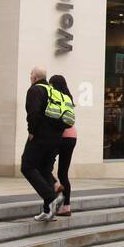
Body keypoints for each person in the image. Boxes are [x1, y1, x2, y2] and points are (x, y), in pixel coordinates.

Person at [21, 67, 66, 220]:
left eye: (30, 74)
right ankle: (49, 212)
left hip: (40, 136)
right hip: (56, 138)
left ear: (34, 77)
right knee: (44, 170)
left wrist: (31, 131)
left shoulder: (35, 90)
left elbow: (33, 113)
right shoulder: (54, 91)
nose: (30, 76)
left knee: (27, 166)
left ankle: (51, 198)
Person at [48, 76, 77, 215]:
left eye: (51, 84)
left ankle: (55, 185)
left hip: (59, 136)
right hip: (72, 136)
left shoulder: (56, 96)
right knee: (63, 173)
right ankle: (66, 207)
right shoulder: (68, 98)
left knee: (44, 166)